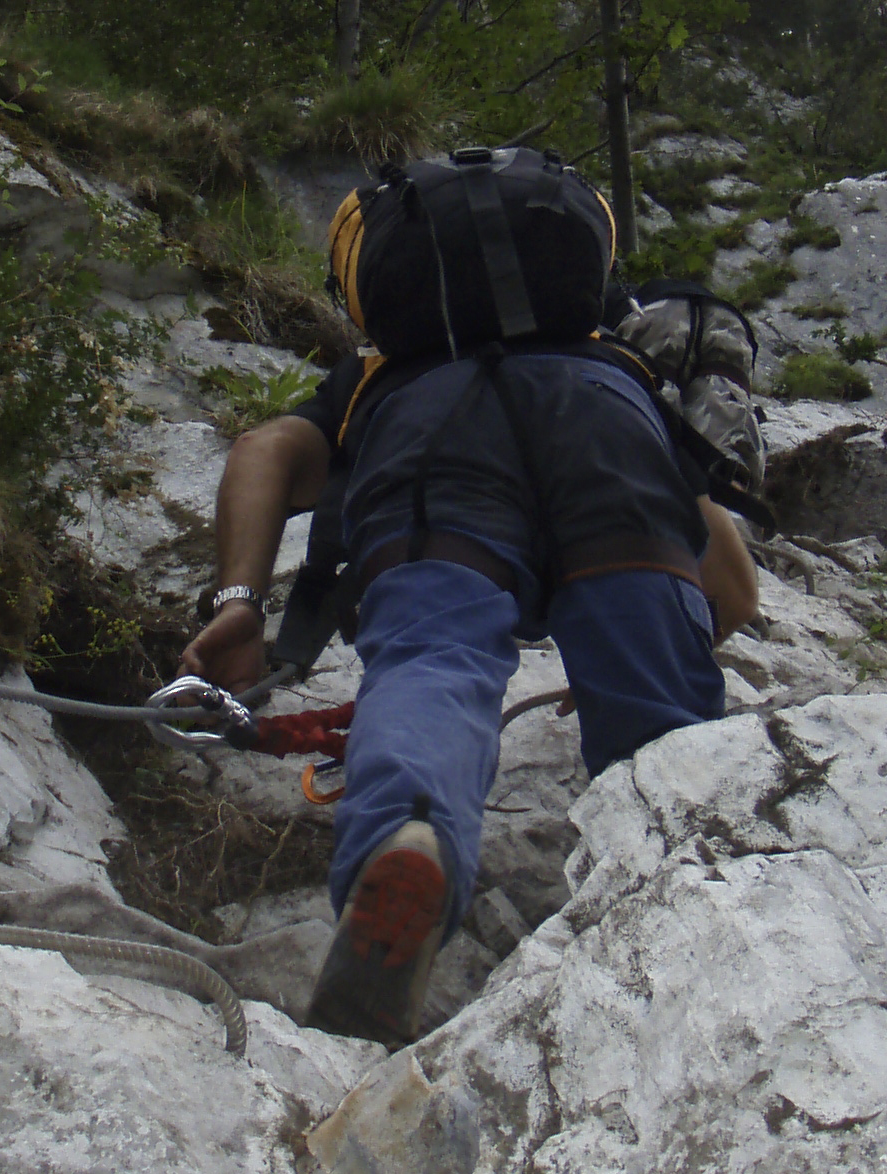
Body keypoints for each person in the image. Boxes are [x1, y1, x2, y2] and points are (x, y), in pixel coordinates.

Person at [178, 191, 759, 1050]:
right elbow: (735, 595)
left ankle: (408, 831)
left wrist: (238, 603)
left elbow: (263, 450)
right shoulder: (613, 364)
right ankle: (685, 933)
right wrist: (636, 647)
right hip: (608, 435)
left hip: (427, 442)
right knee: (657, 726)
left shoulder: (381, 372)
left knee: (432, 661)